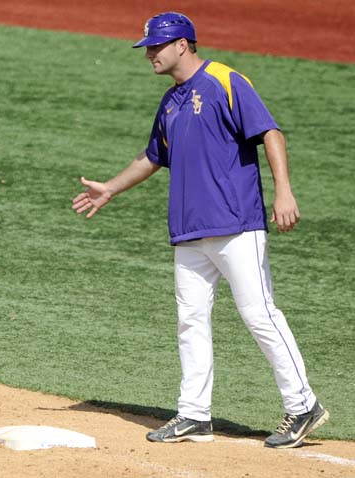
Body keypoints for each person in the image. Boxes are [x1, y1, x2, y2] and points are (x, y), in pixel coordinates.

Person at [72, 12, 328, 449]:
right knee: (190, 321)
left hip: (235, 224)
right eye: (148, 47)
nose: (149, 53)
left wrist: (283, 192)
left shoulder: (225, 81)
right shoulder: (171, 101)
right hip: (189, 230)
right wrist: (110, 189)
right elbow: (153, 155)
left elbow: (270, 133)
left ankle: (303, 404)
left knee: (260, 315)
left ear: (183, 45)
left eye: (156, 46)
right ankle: (194, 414)